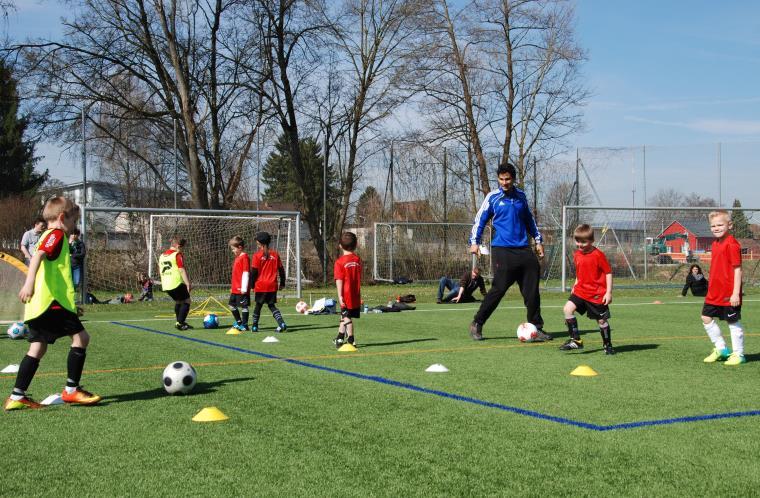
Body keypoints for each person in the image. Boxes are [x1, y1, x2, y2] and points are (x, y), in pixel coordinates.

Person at [4, 196, 101, 411]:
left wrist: (71, 305)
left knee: (37, 348)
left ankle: (17, 396)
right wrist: (28, 283)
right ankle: (71, 390)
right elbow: (37, 256)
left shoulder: (48, 235)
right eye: (74, 221)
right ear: (61, 217)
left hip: (40, 305)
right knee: (81, 338)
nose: (74, 226)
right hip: (51, 303)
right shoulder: (56, 234)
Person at [467, 162, 551, 342]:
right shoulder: (493, 197)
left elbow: (529, 219)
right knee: (499, 289)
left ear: (513, 179)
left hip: (524, 250)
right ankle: (477, 323)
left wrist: (538, 241)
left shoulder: (521, 196)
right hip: (502, 250)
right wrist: (474, 242)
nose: (504, 182)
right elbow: (479, 220)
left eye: (508, 179)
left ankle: (536, 328)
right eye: (501, 179)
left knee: (532, 292)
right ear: (498, 179)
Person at [559, 224, 615, 355]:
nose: (580, 244)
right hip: (580, 291)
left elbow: (608, 273)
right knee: (567, 309)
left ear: (591, 241)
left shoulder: (598, 255)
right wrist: (575, 285)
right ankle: (576, 340)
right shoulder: (577, 254)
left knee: (601, 321)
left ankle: (608, 345)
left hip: (596, 295)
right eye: (578, 241)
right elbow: (580, 272)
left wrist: (608, 292)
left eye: (584, 242)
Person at [701, 210, 745, 366]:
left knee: (732, 322)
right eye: (713, 226)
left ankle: (738, 354)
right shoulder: (715, 243)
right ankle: (721, 349)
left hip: (729, 293)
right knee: (706, 317)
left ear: (730, 225)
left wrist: (735, 294)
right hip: (714, 292)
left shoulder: (732, 244)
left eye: (720, 224)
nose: (716, 228)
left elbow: (737, 270)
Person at [250, 231, 287, 332]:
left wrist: (252, 285)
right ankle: (282, 323)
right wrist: (282, 283)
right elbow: (281, 270)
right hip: (272, 285)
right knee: (271, 305)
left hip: (261, 285)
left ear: (259, 243)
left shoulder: (257, 256)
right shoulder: (275, 254)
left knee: (258, 305)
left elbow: (253, 272)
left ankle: (254, 326)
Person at [334, 232, 362, 349]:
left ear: (340, 245)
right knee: (344, 315)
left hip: (346, 294)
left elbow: (339, 280)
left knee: (346, 317)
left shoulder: (339, 262)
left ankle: (351, 339)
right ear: (355, 245)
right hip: (356, 293)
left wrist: (340, 296)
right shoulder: (358, 259)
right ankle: (340, 338)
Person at [159, 237, 193, 331]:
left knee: (179, 301)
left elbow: (160, 270)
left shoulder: (162, 255)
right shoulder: (177, 254)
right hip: (176, 283)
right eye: (182, 248)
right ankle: (180, 323)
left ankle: (179, 322)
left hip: (166, 284)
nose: (182, 250)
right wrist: (187, 283)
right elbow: (181, 270)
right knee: (187, 301)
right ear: (178, 246)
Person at [227, 236, 251, 332]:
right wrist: (232, 287)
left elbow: (246, 273)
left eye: (234, 249)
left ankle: (245, 325)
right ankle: (239, 322)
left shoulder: (244, 257)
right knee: (231, 305)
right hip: (235, 288)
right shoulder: (238, 257)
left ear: (240, 247)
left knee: (244, 306)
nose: (233, 251)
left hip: (241, 289)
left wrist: (244, 288)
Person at [69, 228, 86, 292]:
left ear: (78, 235)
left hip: (77, 266)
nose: (73, 236)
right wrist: (70, 244)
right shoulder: (68, 243)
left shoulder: (80, 244)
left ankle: (73, 293)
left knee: (76, 282)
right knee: (69, 282)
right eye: (72, 234)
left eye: (75, 234)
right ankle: (71, 296)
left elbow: (82, 254)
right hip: (69, 265)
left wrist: (73, 255)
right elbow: (66, 252)